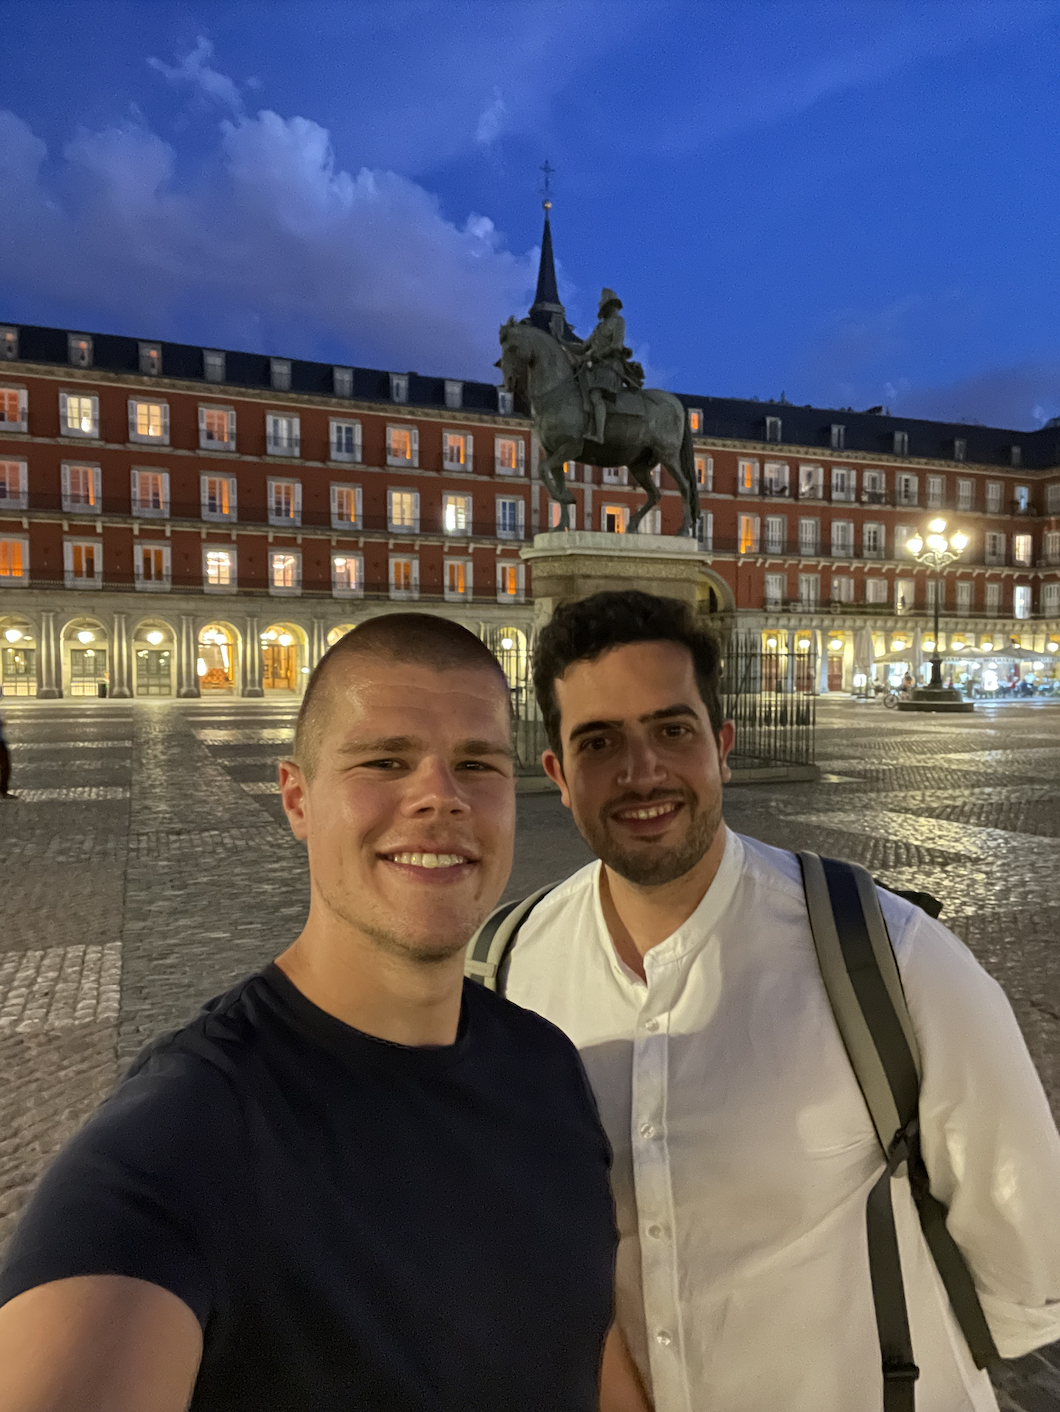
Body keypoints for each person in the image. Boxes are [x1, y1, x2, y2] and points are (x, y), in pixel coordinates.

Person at [0, 613, 645, 1412]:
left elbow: (588, 1347)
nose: (439, 798)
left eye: (477, 764)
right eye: (385, 760)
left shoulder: (548, 1067)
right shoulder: (179, 1143)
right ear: (297, 799)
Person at [499, 589, 1060, 1412]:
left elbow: (1026, 1247)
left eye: (672, 730)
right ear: (557, 772)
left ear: (722, 746)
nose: (642, 770)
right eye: (600, 741)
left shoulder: (890, 956)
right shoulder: (508, 973)